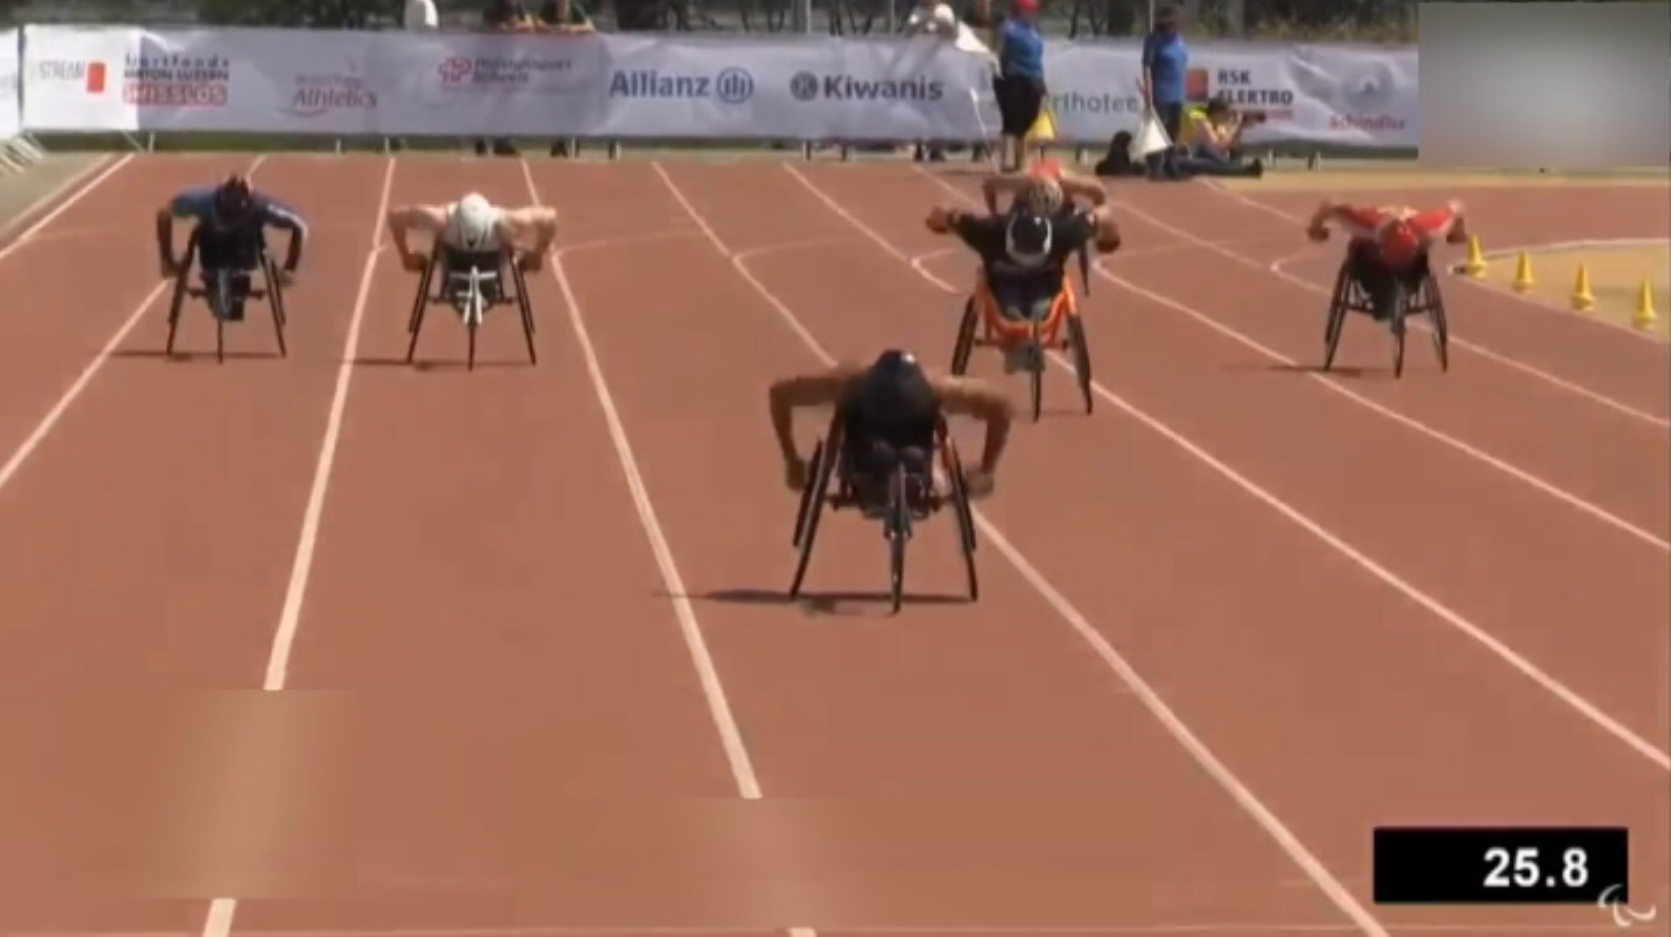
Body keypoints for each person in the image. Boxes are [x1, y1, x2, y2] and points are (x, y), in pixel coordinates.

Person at [769, 350, 1011, 508]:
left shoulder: (848, 382)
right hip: (881, 457)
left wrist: (791, 459)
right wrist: (986, 469)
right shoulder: (934, 387)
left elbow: (779, 394)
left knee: (897, 453)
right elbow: (1000, 406)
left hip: (885, 458)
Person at [926, 175, 1120, 372]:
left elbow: (1103, 215)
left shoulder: (1062, 231)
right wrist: (1109, 239)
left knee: (1037, 312)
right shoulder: (990, 231)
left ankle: (1020, 343)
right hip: (1007, 286)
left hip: (1042, 286)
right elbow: (946, 213)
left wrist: (1109, 236)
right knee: (1014, 316)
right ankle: (1019, 343)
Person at [156, 173, 307, 322]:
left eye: (236, 211)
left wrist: (289, 267)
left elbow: (299, 226)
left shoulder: (263, 207)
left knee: (246, 234)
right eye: (227, 211)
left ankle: (231, 284)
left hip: (245, 250)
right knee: (206, 231)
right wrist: (167, 259)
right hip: (212, 247)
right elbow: (164, 215)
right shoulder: (201, 201)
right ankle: (215, 281)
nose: (231, 216)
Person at [1306, 199, 1469, 324]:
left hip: (1411, 259)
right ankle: (1383, 293)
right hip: (1372, 261)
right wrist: (1316, 227)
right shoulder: (1365, 223)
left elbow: (1455, 208)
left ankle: (1398, 287)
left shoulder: (1428, 228)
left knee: (1419, 259)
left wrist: (1458, 233)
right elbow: (1330, 205)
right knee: (1361, 252)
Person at [386, 194, 559, 301]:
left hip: (452, 276)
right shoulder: (507, 221)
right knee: (508, 236)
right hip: (492, 277)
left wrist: (406, 256)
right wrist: (537, 254)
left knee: (440, 235)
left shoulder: (440, 219)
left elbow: (394, 216)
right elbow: (549, 217)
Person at [992, 0, 1046, 173]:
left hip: (1033, 77)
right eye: (1029, 10)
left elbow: (1038, 57)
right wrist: (999, 71)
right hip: (1013, 76)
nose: (1033, 13)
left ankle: (1019, 158)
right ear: (1020, 10)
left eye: (1034, 10)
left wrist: (1042, 80)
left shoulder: (1036, 31)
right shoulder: (1008, 28)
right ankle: (1008, 161)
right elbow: (999, 50)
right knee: (1012, 119)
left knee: (1030, 117)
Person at [1140, 5, 1188, 180]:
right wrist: (1148, 91)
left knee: (1173, 131)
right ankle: (1154, 167)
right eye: (1170, 22)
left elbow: (1182, 66)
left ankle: (1171, 165)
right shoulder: (1154, 40)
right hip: (1160, 91)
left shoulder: (1180, 41)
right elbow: (1147, 66)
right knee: (1157, 130)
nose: (1174, 25)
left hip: (1178, 93)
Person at [1173, 96, 1264, 178]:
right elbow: (1216, 148)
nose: (1229, 116)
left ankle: (1239, 169)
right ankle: (1243, 171)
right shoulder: (1203, 122)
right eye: (1227, 113)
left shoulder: (1220, 126)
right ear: (1217, 113)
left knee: (1231, 157)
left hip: (1201, 158)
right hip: (1186, 157)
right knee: (1209, 162)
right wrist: (1235, 125)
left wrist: (1240, 128)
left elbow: (1230, 147)